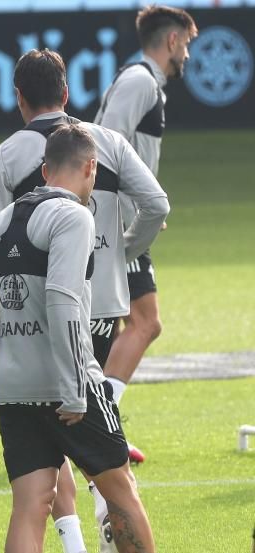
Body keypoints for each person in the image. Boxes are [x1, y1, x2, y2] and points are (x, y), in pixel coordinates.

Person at [0, 123, 211, 553]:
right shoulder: (74, 216)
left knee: (31, 500)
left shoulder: (4, 218)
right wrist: (76, 387)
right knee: (120, 488)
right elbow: (63, 300)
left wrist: (14, 344)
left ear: (45, 168)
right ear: (91, 170)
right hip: (68, 384)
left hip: (11, 385)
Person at [0, 49, 167, 553]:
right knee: (83, 424)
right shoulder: (103, 141)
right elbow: (156, 203)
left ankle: (79, 548)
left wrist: (13, 331)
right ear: (66, 92)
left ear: (19, 99)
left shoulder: (7, 155)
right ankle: (106, 520)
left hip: (43, 312)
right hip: (105, 303)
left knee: (51, 423)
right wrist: (126, 253)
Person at [94, 5, 199, 461]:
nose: (188, 56)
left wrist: (146, 202)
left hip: (123, 217)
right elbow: (104, 142)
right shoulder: (139, 82)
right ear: (172, 40)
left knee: (118, 325)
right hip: (117, 223)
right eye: (187, 44)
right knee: (146, 321)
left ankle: (98, 423)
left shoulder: (141, 82)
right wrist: (131, 209)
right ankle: (101, 421)